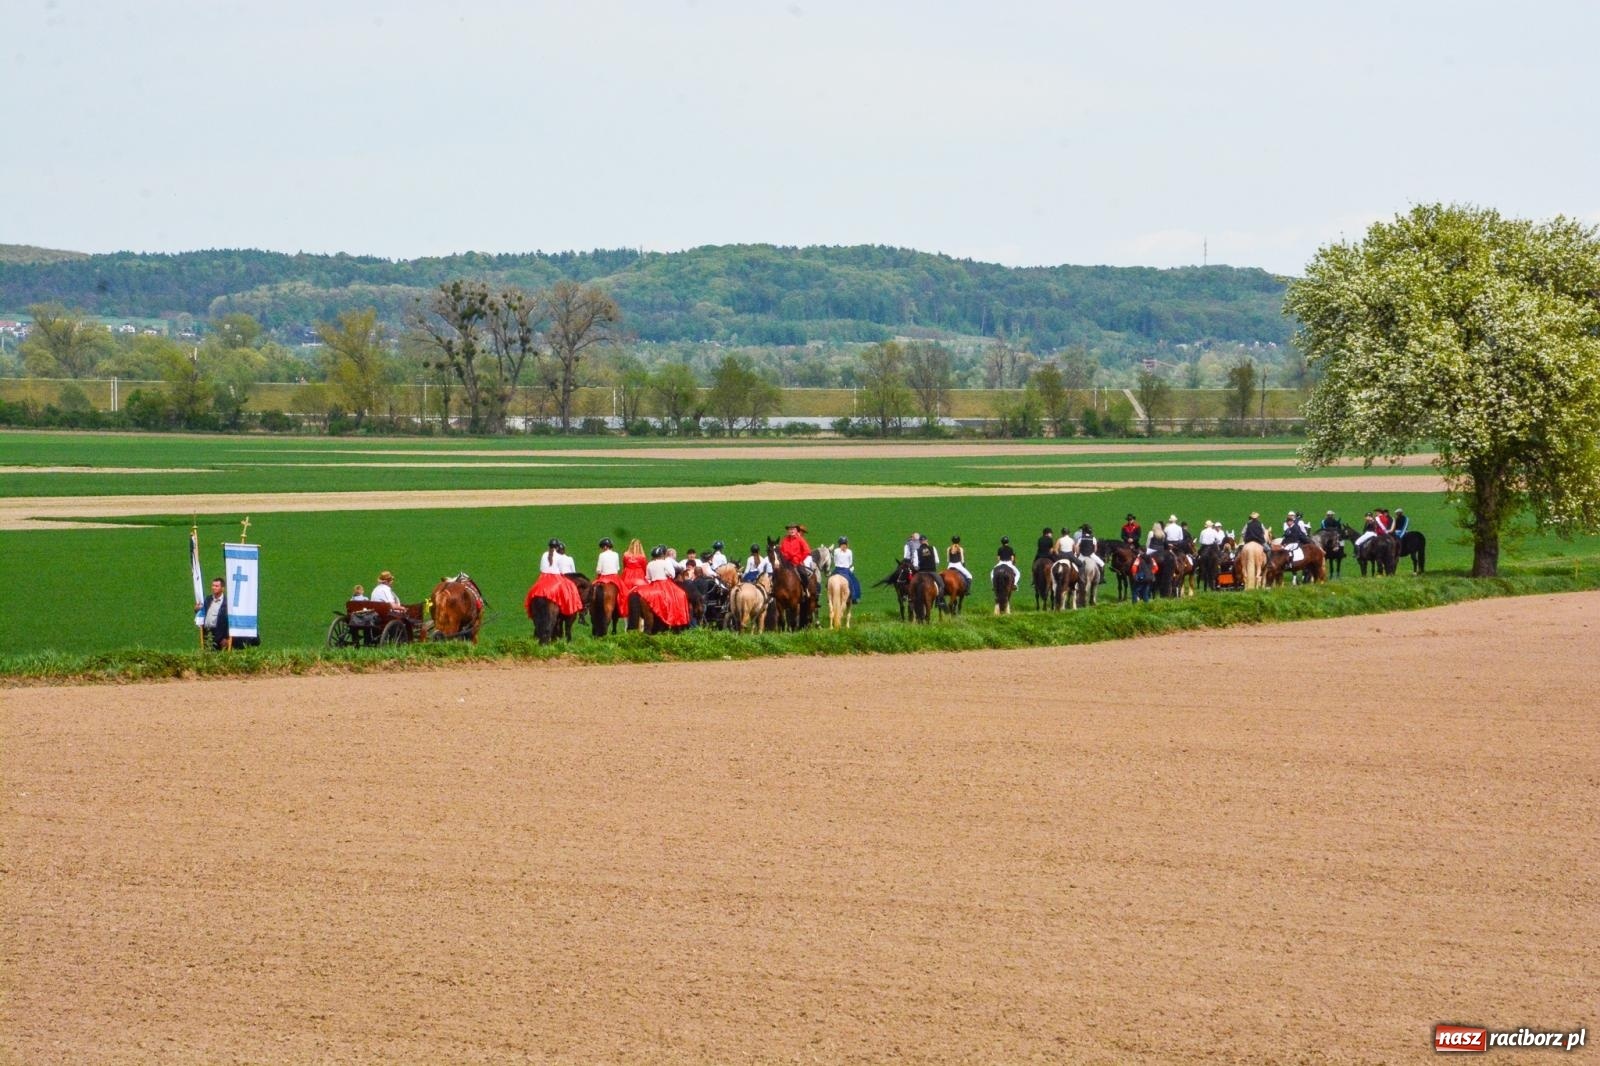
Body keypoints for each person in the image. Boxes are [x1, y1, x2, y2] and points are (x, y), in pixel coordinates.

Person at [198, 576, 231, 650]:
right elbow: (202, 613)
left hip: (220, 637)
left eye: (216, 586)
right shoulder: (208, 599)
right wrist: (197, 610)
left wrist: (227, 637)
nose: (214, 588)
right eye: (213, 585)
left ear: (222, 588)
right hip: (207, 634)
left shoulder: (227, 602)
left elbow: (230, 621)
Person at [833, 536, 861, 603]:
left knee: (854, 582)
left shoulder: (849, 551)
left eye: (845, 544)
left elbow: (850, 562)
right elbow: (836, 560)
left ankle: (853, 598)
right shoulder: (837, 551)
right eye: (843, 544)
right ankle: (854, 597)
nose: (844, 546)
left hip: (843, 569)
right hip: (840, 569)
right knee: (852, 582)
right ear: (840, 545)